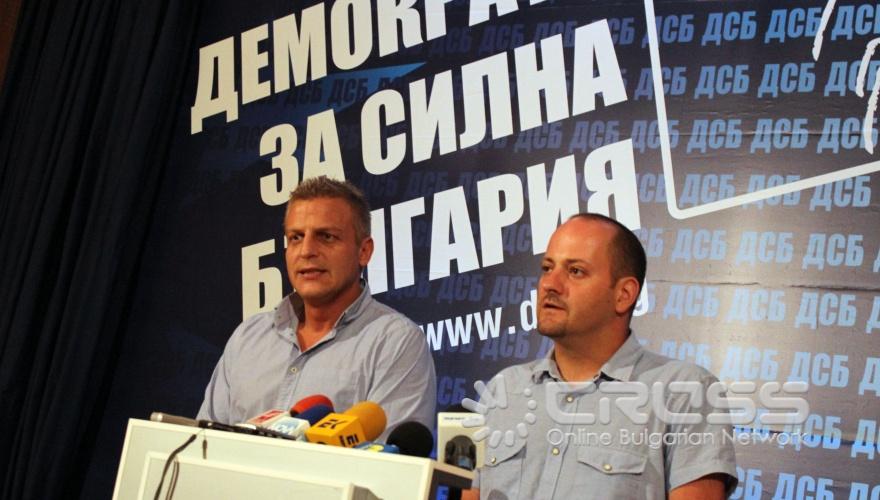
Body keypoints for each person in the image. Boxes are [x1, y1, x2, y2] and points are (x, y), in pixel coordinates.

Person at [464, 213, 736, 499]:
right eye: (547, 268)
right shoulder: (504, 389)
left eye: (575, 271)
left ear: (624, 294)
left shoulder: (685, 392)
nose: (549, 284)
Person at [197, 177, 436, 437]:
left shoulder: (396, 342)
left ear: (364, 251)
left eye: (326, 237)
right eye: (296, 237)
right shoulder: (247, 337)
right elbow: (200, 444)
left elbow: (389, 458)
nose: (307, 251)